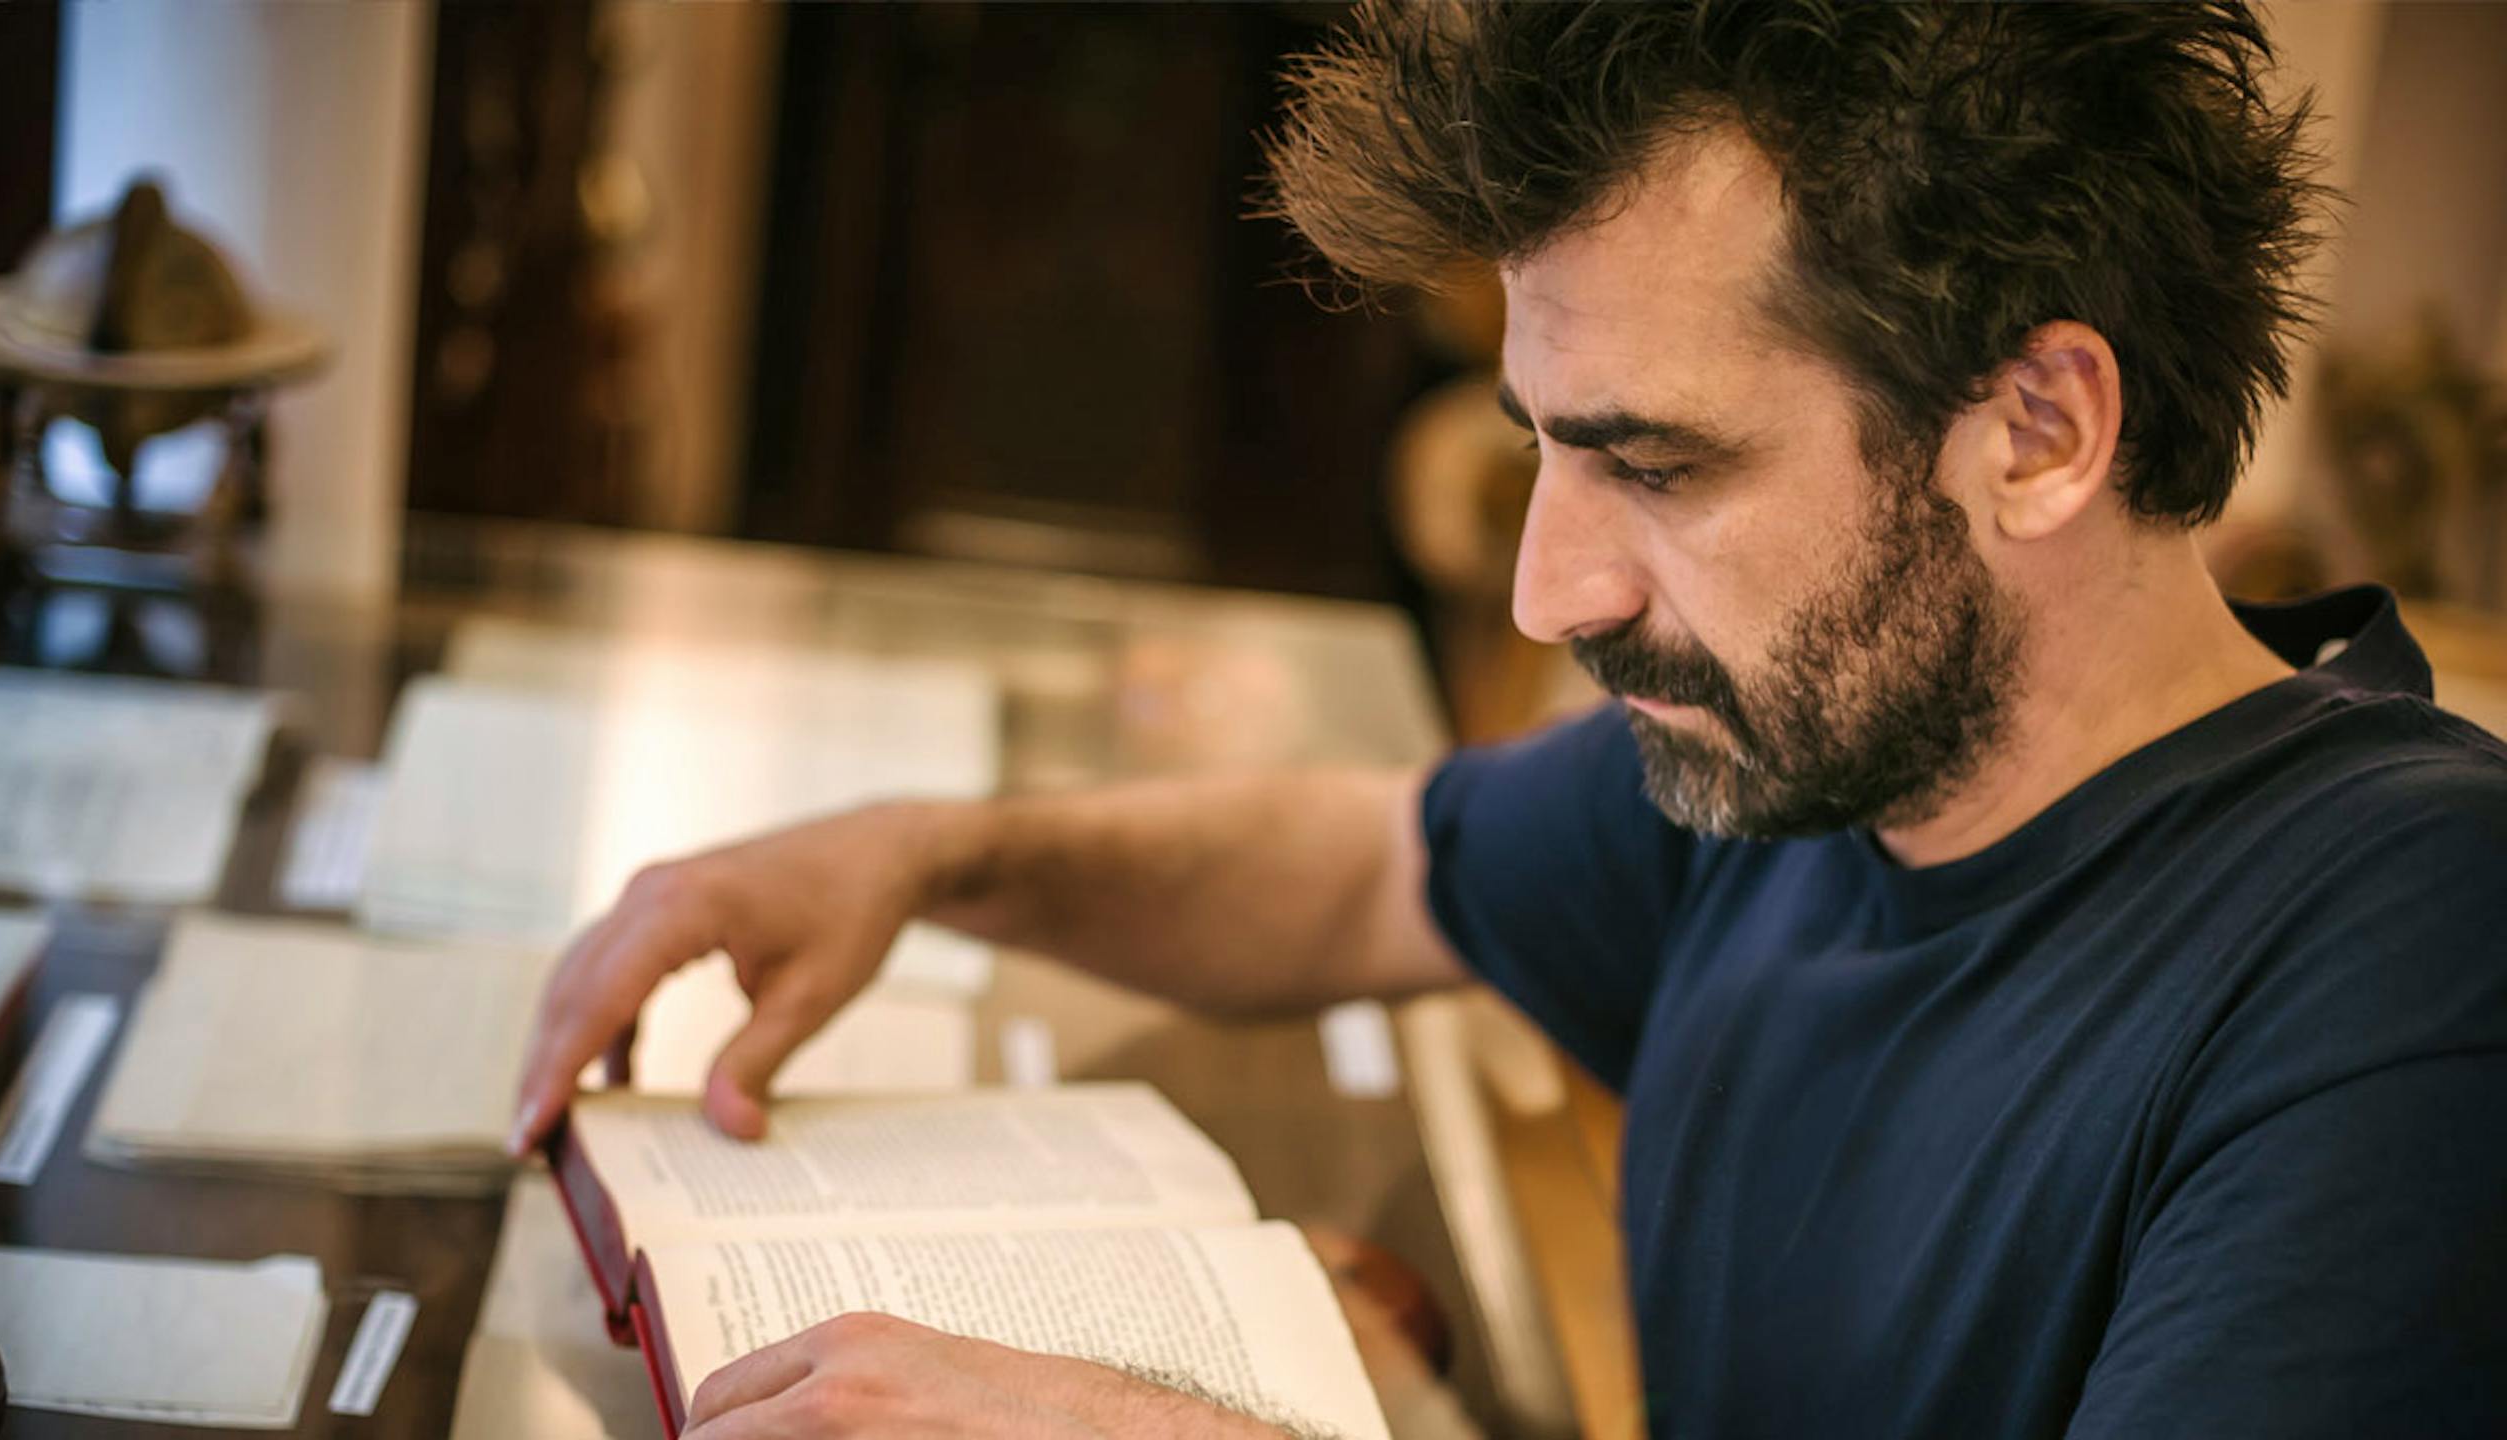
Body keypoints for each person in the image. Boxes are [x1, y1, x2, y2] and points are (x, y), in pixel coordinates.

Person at [512, 2, 2507, 1436]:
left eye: (1653, 464)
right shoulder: (1817, 762)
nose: (1554, 591)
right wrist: (926, 857)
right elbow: (1376, 861)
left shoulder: (2411, 960)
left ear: (2038, 429)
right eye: (1544, 451)